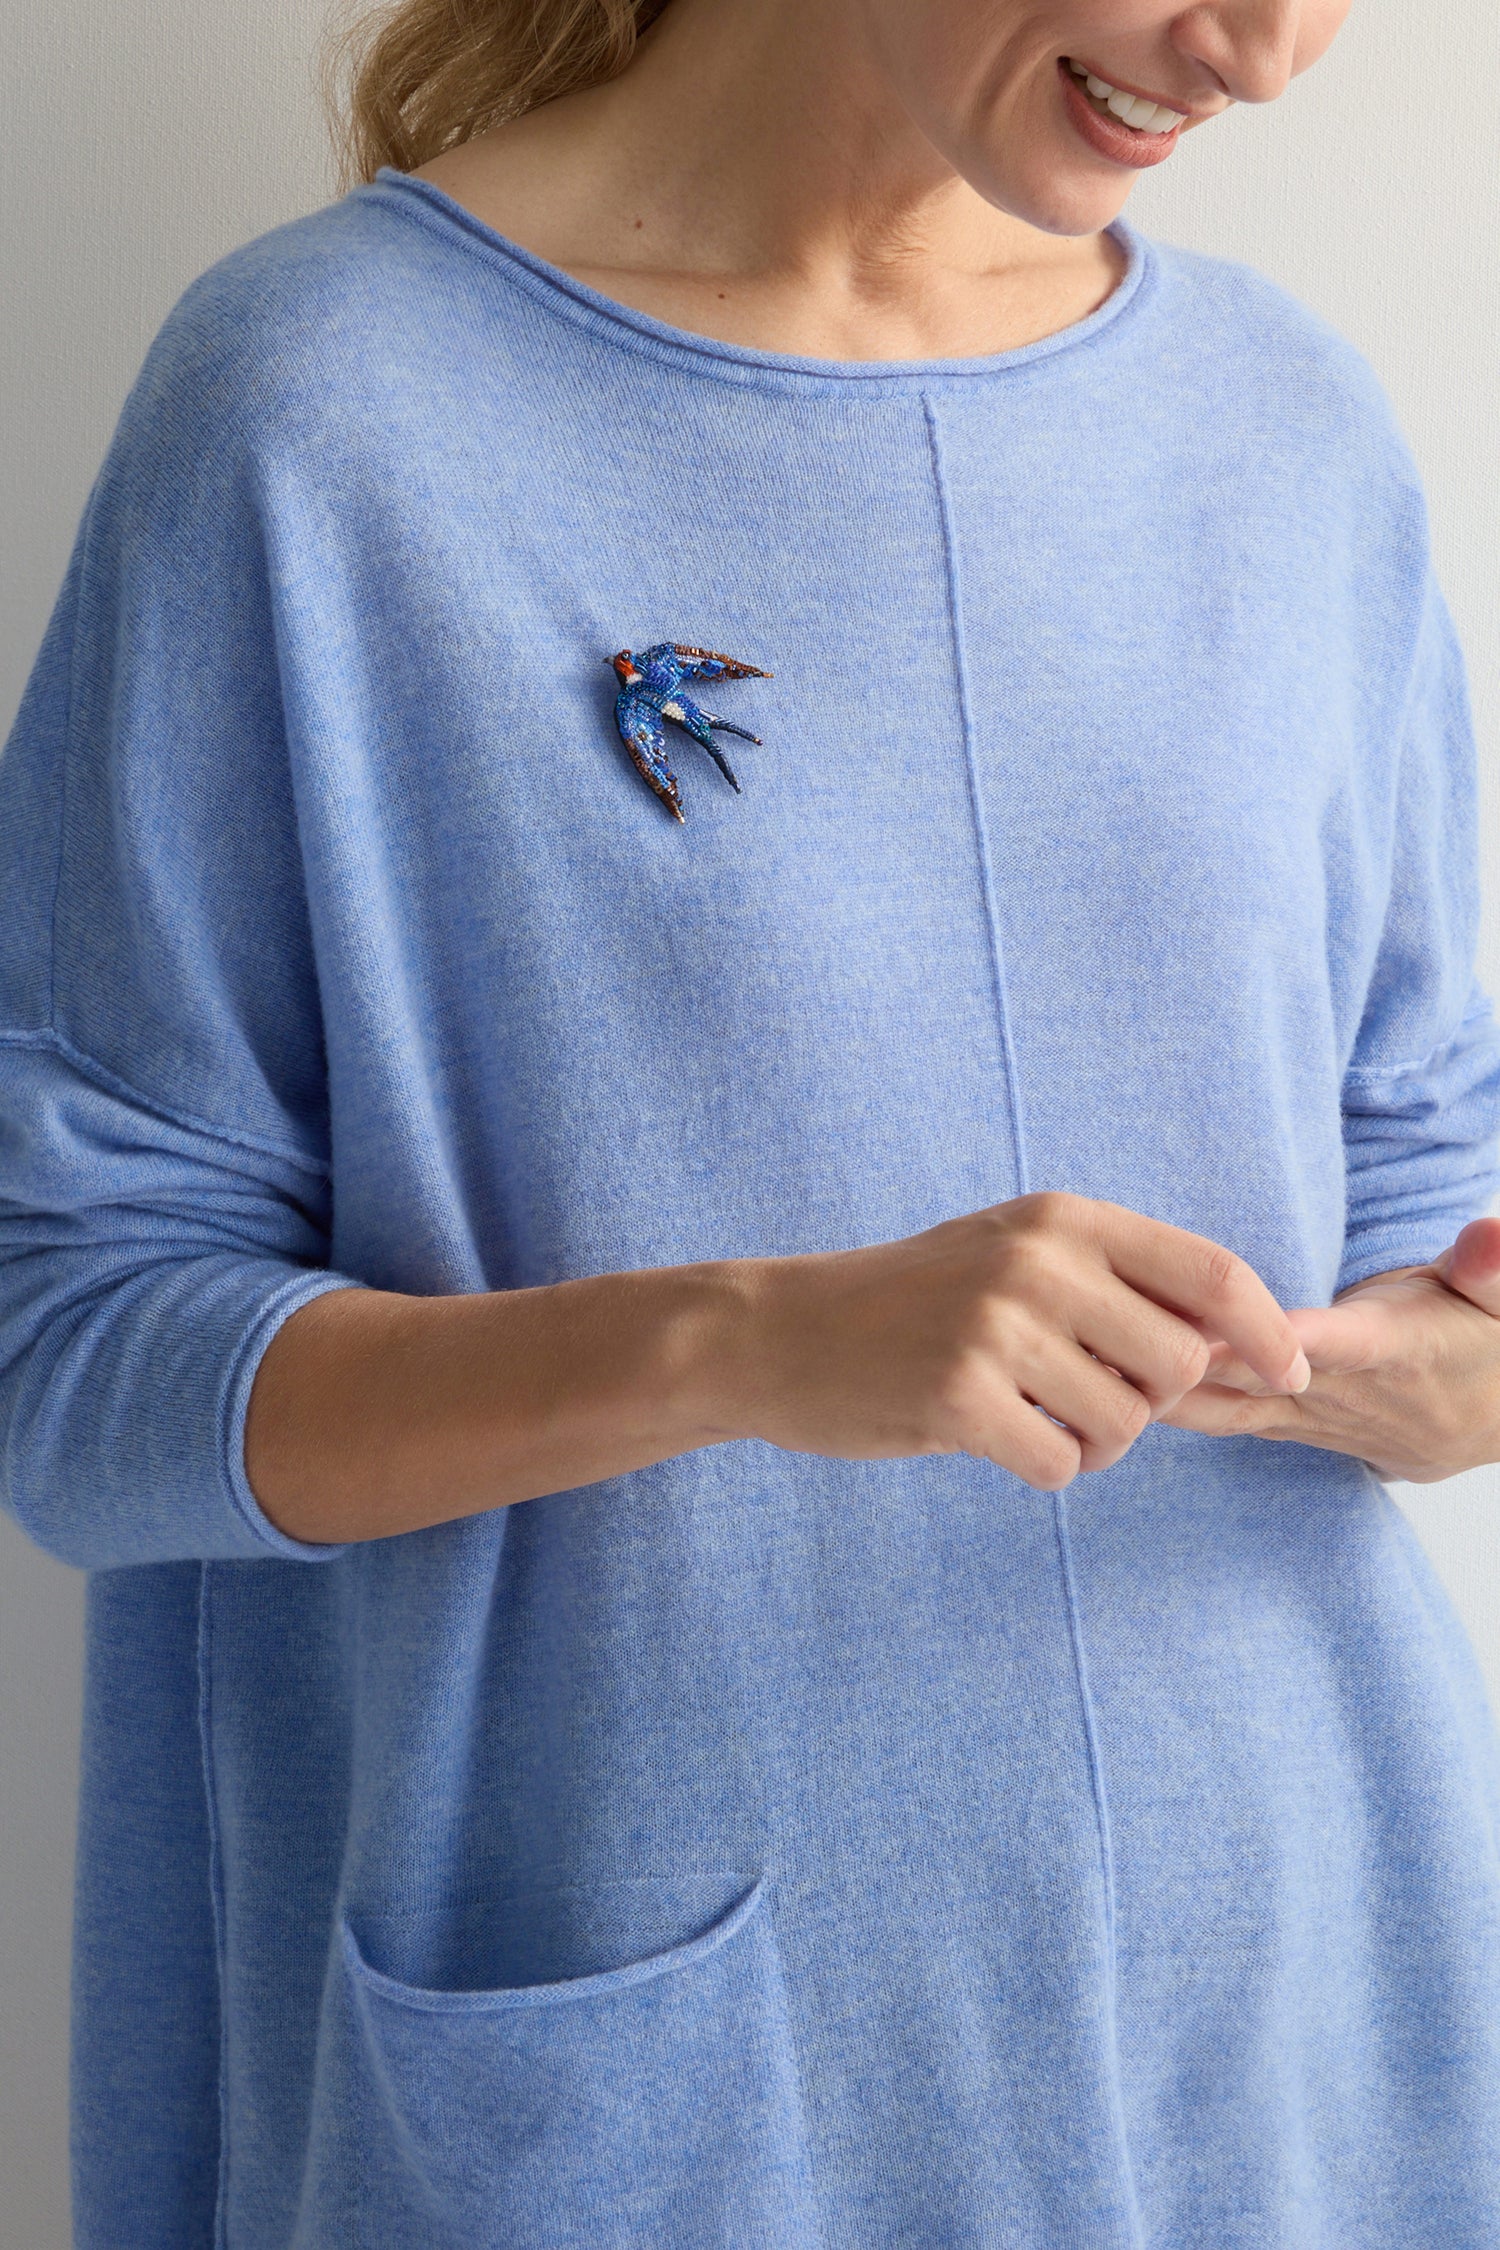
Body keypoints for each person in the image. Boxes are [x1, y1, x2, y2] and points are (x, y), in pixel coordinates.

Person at [5, 0, 1500, 2240]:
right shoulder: (326, 416)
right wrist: (744, 1342)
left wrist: (1432, 1368)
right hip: (653, 2081)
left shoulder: (1285, 429)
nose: (1265, 54)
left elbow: (1430, 1175)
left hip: (1295, 2035)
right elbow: (72, 1370)